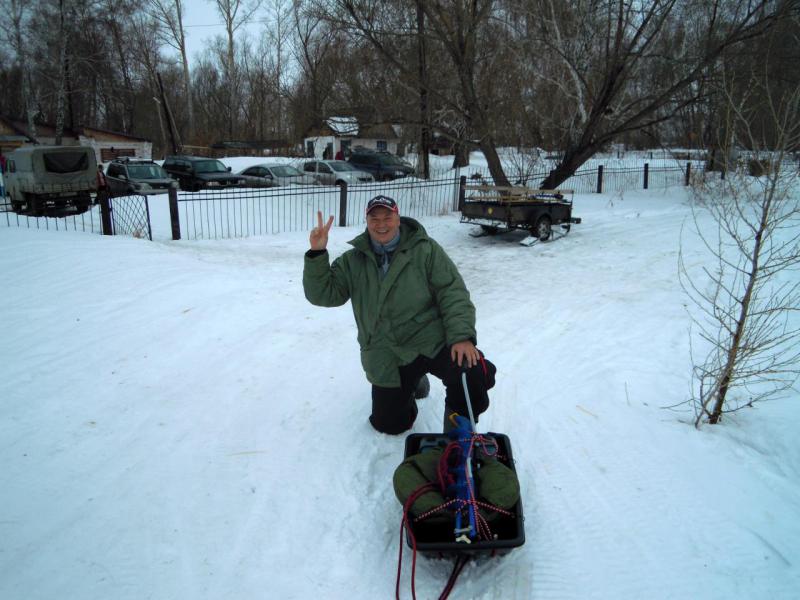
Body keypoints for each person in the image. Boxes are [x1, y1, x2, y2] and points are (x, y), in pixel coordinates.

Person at [303, 195, 496, 435]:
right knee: (390, 424)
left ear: (398, 217)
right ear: (366, 220)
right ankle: (414, 384)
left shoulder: (425, 250)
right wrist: (317, 253)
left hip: (429, 340)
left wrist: (462, 337)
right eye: (375, 218)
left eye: (387, 217)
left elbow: (452, 292)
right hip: (387, 351)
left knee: (469, 373)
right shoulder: (353, 261)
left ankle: (458, 432)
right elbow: (323, 295)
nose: (381, 224)